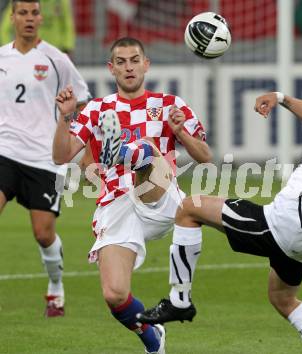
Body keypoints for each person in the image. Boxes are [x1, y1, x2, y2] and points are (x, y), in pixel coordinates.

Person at [137, 57, 302, 354]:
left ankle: (179, 301)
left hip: (284, 224)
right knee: (283, 299)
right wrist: (280, 98)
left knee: (189, 208)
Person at [52, 36, 212, 353]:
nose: (129, 67)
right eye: (121, 61)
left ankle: (130, 152)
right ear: (111, 68)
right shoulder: (96, 109)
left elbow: (205, 155)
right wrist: (64, 117)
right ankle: (153, 338)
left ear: (146, 64)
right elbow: (61, 156)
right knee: (114, 294)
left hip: (159, 194)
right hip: (117, 204)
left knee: (150, 152)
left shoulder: (170, 105)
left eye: (134, 60)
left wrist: (179, 133)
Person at [0, 0, 90, 317]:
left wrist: (77, 143)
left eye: (34, 13)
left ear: (41, 18)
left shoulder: (57, 59)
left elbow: (82, 100)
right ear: (12, 17)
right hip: (5, 152)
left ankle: (55, 285)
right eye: (22, 13)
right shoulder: (1, 57)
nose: (28, 18)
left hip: (44, 158)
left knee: (43, 233)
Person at [0, 0, 76, 55]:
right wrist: (9, 51)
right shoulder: (21, 2)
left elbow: (68, 24)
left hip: (55, 51)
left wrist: (67, 47)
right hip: (29, 52)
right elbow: (5, 28)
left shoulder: (60, 2)